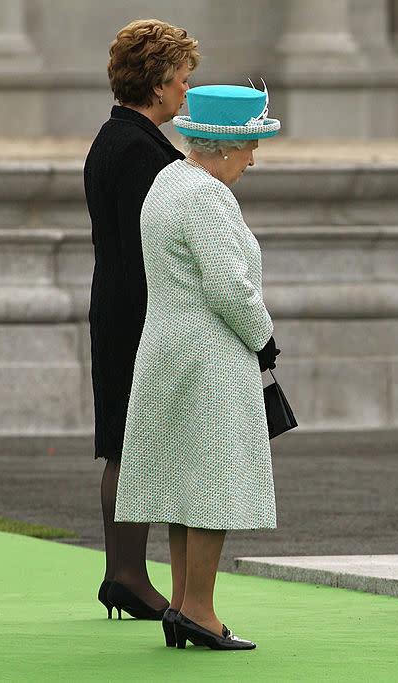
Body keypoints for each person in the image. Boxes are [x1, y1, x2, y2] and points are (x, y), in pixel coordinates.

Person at [114, 83, 282, 651]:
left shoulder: (168, 180)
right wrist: (265, 337)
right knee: (213, 481)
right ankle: (201, 611)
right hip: (209, 355)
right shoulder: (208, 196)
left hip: (165, 346)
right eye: (251, 145)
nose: (253, 158)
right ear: (223, 145)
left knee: (186, 482)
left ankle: (184, 606)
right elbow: (230, 287)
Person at [83, 18, 200, 621]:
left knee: (124, 444)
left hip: (120, 304)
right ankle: (126, 573)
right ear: (157, 86)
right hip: (137, 311)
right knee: (129, 445)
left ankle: (123, 573)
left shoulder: (116, 138)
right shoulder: (137, 149)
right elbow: (151, 246)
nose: (186, 92)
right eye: (181, 82)